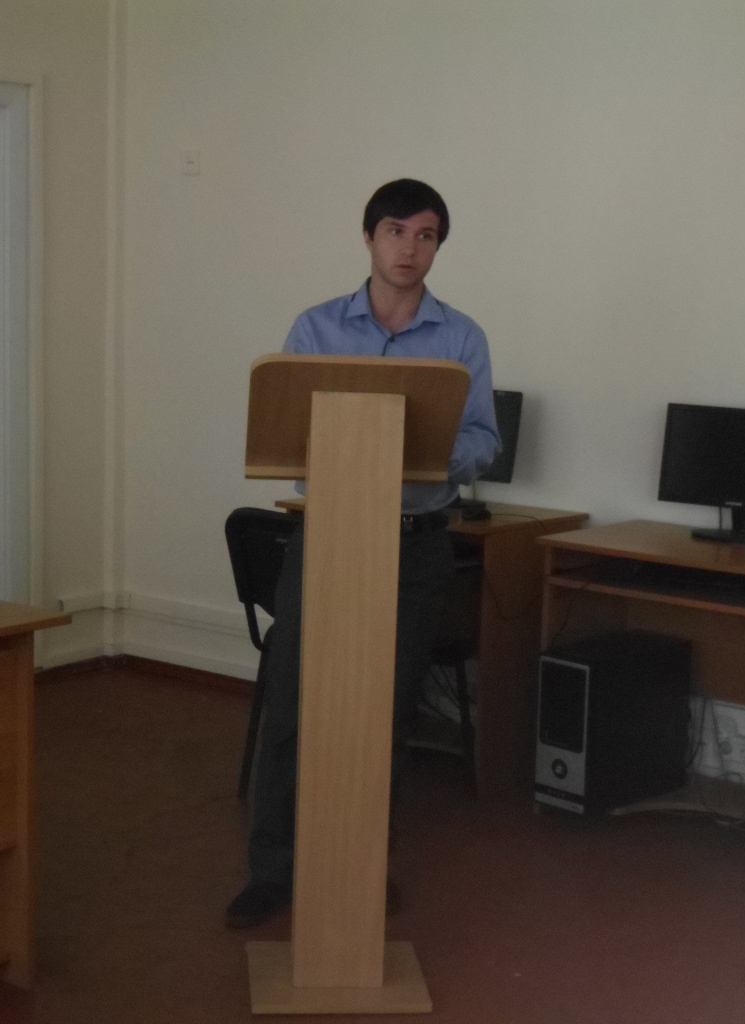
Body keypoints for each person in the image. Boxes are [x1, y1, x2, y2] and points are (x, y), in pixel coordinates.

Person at [226, 178, 500, 928]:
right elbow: (287, 430)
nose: (409, 249)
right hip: (330, 539)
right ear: (369, 237)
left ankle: (357, 867)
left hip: (415, 547)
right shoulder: (316, 328)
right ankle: (273, 870)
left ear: (438, 246)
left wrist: (418, 451)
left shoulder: (461, 338)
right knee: (293, 706)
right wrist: (363, 447)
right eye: (395, 231)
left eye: (426, 235)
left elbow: (483, 439)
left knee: (386, 715)